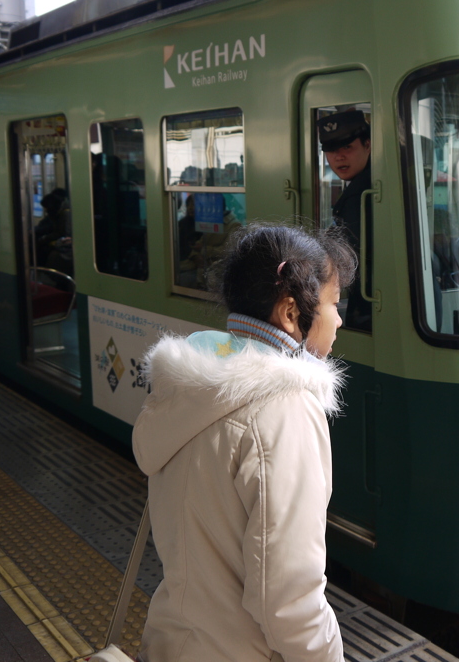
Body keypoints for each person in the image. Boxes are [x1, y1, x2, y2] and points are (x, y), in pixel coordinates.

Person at [133, 224, 357, 662]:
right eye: (333, 303)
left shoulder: (186, 387)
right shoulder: (285, 410)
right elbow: (289, 599)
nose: (339, 319)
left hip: (169, 642)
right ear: (292, 312)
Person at [319, 109, 372, 331]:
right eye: (331, 150)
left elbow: (355, 256)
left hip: (370, 308)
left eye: (347, 148)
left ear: (367, 144)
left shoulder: (364, 192)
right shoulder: (365, 182)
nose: (339, 157)